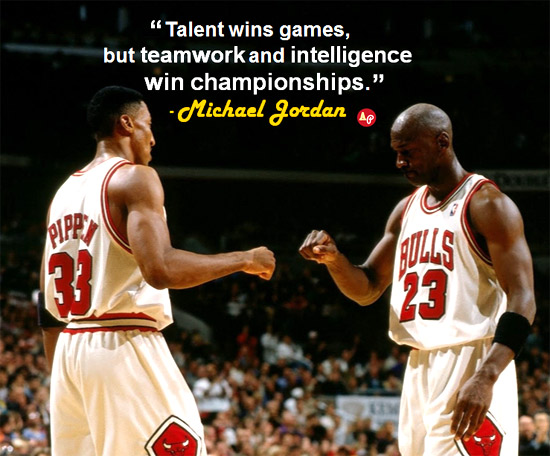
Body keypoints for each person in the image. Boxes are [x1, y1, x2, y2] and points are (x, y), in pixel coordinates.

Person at [39, 86, 276, 456]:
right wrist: (245, 259)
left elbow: (46, 304)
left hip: (70, 348)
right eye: (148, 124)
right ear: (126, 124)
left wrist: (64, 377)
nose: (153, 136)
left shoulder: (64, 193)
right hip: (121, 342)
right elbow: (161, 269)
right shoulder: (135, 177)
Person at [299, 103, 536, 455]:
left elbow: (523, 298)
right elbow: (367, 289)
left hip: (473, 359)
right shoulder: (405, 210)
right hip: (419, 364)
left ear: (442, 142)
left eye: (408, 152)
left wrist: (487, 376)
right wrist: (334, 260)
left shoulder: (487, 204)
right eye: (396, 153)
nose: (399, 162)